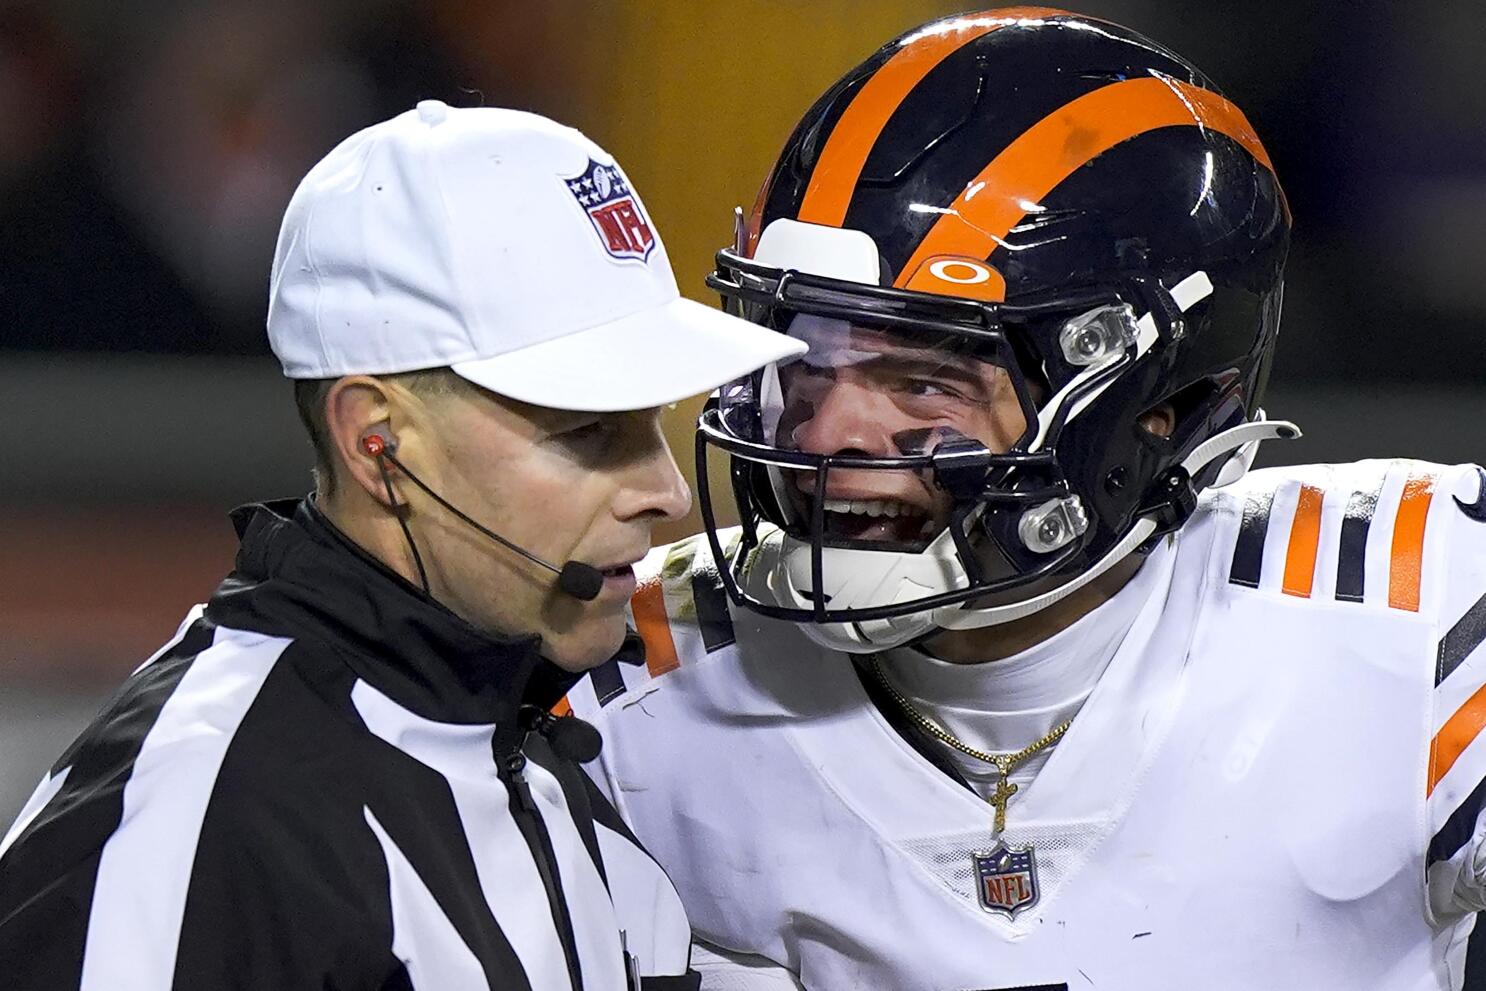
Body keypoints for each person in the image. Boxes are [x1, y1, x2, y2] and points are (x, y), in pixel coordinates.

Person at [564, 10, 1486, 990]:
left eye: (923, 379)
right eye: (806, 359)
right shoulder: (631, 669)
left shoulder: (1415, 611)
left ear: (1153, 409)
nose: (829, 433)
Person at [0, 101, 804, 989]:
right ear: (377, 440)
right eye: (587, 434)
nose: (666, 492)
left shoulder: (528, 748)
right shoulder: (203, 817)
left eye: (651, 423)